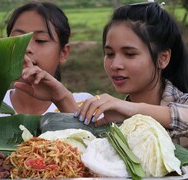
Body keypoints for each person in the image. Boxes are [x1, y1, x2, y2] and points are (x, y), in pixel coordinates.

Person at [74, 2, 188, 145]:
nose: (115, 65)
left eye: (129, 54)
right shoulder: (114, 120)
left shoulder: (183, 104)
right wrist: (61, 97)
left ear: (162, 58)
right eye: (109, 54)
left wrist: (132, 110)